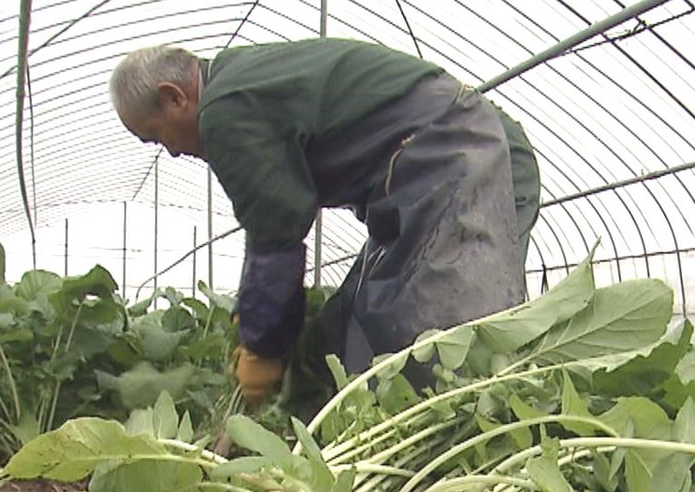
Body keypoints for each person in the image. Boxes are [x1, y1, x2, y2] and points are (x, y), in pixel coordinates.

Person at [110, 38, 540, 405]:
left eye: (156, 135)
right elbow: (278, 214)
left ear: (174, 97)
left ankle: (466, 465)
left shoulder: (224, 107)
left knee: (437, 336)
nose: (170, 151)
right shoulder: (240, 86)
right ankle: (326, 442)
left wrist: (262, 348)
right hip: (425, 167)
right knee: (346, 331)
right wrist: (253, 315)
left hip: (463, 156)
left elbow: (277, 228)